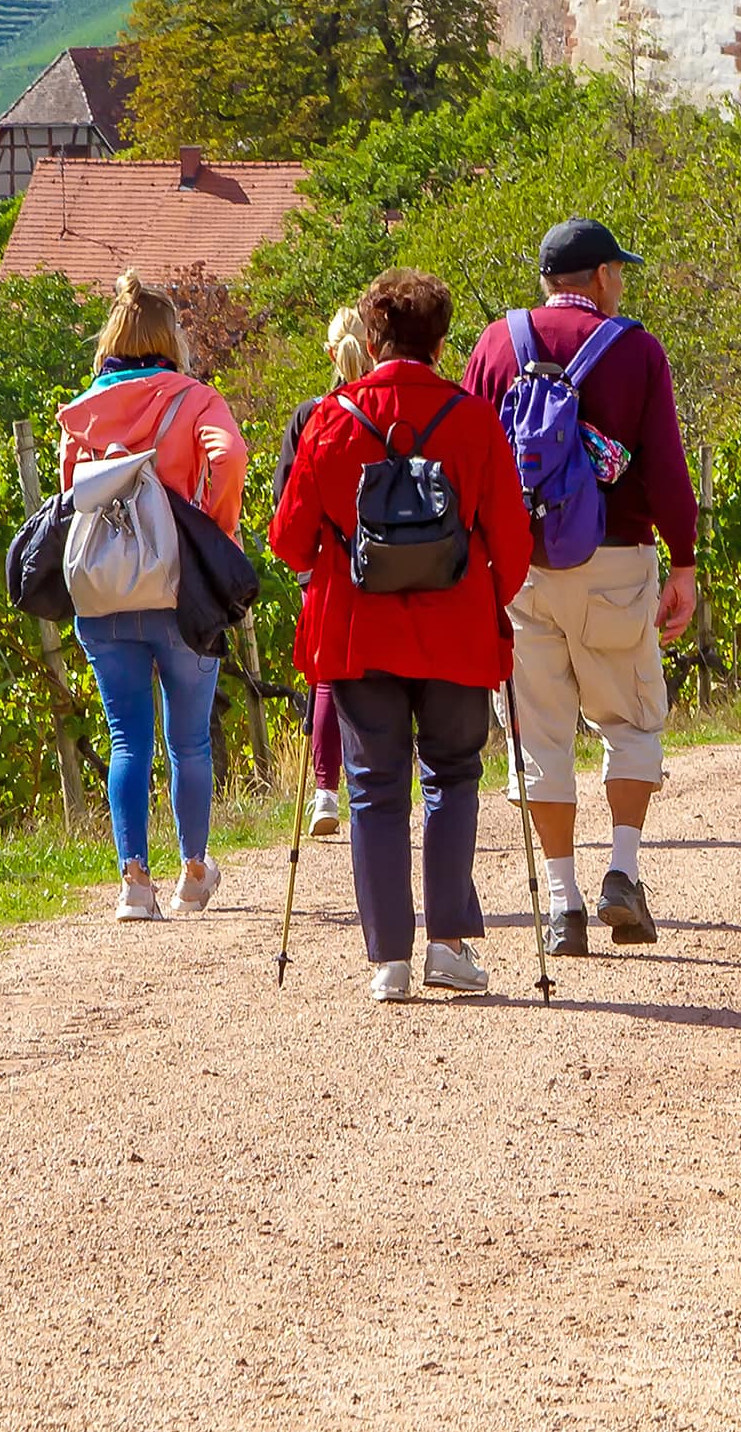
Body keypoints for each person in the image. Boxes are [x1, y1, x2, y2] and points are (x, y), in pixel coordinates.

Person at [268, 267, 533, 1001]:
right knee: (453, 775)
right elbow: (510, 546)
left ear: (372, 337)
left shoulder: (328, 419)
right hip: (454, 632)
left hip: (357, 636)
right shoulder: (475, 420)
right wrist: (483, 598)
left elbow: (288, 542)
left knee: (373, 790)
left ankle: (388, 959)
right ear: (441, 342)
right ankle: (448, 946)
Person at [462, 217, 699, 956]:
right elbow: (663, 465)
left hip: (521, 568)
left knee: (539, 733)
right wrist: (684, 560)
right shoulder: (635, 349)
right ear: (597, 278)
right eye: (616, 270)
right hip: (615, 559)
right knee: (631, 722)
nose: (621, 282)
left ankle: (562, 901)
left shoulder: (496, 344)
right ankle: (620, 872)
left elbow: (470, 451)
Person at [55, 271, 251, 925]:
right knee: (188, 740)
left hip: (104, 590)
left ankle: (133, 882)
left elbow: (68, 493)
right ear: (170, 339)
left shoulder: (83, 408)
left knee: (126, 739)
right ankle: (193, 870)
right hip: (177, 587)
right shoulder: (195, 400)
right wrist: (210, 526)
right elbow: (229, 459)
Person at [273, 307, 374, 840]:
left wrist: (308, 558)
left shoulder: (312, 414)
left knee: (328, 678)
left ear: (330, 352)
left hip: (329, 567)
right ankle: (381, 787)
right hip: (392, 566)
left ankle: (326, 791)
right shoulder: (386, 407)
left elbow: (286, 501)